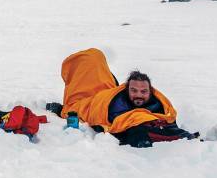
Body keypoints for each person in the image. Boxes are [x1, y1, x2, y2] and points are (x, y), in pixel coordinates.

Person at [47, 48, 197, 147]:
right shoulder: (115, 99)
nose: (139, 95)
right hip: (94, 101)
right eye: (134, 90)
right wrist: (60, 109)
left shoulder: (158, 102)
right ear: (126, 89)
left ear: (150, 91)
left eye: (144, 92)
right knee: (137, 130)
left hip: (103, 94)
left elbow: (168, 118)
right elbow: (79, 109)